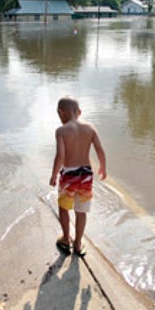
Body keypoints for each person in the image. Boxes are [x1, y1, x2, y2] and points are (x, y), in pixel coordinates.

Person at [49, 96, 107, 257]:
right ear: (79, 112)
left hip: (69, 175)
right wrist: (103, 167)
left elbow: (60, 156)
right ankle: (78, 243)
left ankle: (66, 239)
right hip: (86, 174)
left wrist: (54, 175)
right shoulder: (90, 128)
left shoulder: (61, 131)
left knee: (64, 207)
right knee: (81, 211)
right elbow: (100, 149)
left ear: (61, 113)